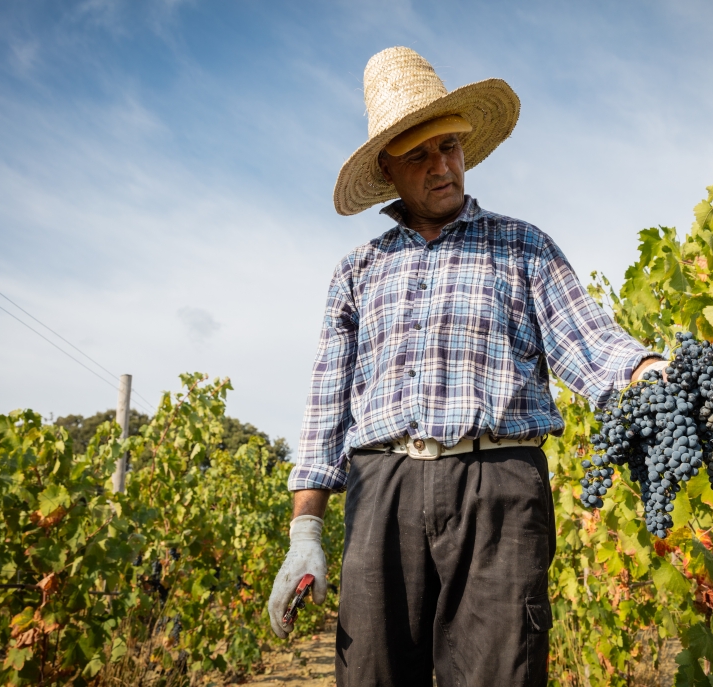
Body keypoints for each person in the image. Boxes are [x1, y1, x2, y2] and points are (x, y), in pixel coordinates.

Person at [267, 46, 667, 687]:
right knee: (371, 673)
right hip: (383, 490)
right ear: (388, 169)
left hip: (498, 488)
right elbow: (326, 407)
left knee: (497, 674)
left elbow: (587, 341)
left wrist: (644, 371)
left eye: (449, 147)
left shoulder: (522, 245)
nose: (442, 166)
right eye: (420, 155)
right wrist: (305, 528)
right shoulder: (358, 270)